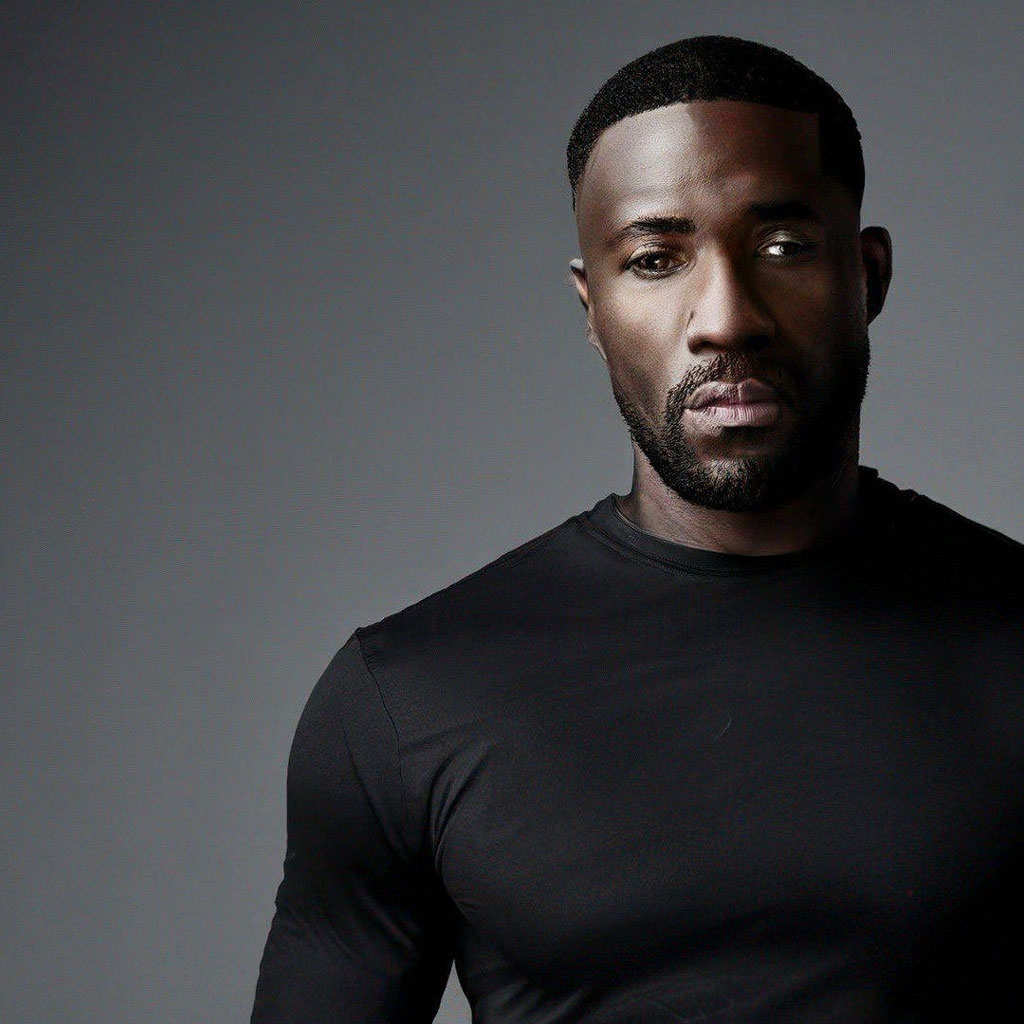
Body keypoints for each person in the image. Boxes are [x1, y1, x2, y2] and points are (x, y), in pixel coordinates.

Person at [250, 36, 1023, 1023]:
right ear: (593, 306)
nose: (725, 319)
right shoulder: (407, 695)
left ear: (866, 275)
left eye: (782, 247)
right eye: (655, 260)